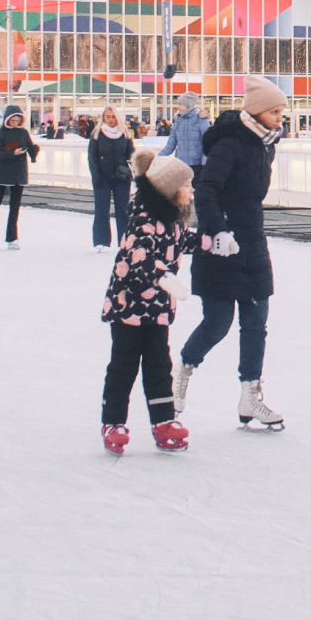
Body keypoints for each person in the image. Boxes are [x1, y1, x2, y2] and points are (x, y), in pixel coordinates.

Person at [177, 79, 287, 432]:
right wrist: (218, 230)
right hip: (222, 246)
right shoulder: (229, 143)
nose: (279, 117)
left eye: (281, 110)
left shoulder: (264, 145)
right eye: (274, 111)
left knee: (256, 323)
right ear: (255, 111)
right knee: (218, 323)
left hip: (252, 241)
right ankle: (182, 370)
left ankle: (249, 396)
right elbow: (205, 191)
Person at [104, 151, 196, 455]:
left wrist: (214, 242)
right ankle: (113, 422)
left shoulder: (173, 221)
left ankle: (164, 422)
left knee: (159, 366)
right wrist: (165, 279)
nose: (191, 191)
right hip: (128, 309)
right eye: (187, 185)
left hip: (156, 311)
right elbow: (142, 258)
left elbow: (184, 242)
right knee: (124, 367)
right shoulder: (142, 221)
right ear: (170, 190)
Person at [0, 108, 38, 248]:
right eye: (13, 120)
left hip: (18, 173)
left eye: (18, 121)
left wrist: (34, 151)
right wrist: (13, 153)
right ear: (7, 119)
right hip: (2, 173)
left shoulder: (23, 132)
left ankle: (12, 237)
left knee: (15, 206)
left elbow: (29, 146)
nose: (15, 123)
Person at [87, 105, 137, 250]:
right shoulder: (97, 135)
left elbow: (131, 154)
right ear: (103, 118)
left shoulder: (125, 134)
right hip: (102, 176)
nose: (110, 120)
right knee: (102, 209)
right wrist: (96, 175)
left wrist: (136, 169)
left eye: (113, 116)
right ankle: (101, 241)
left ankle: (125, 240)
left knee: (123, 209)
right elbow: (92, 157)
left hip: (121, 177)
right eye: (107, 117)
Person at [161, 99, 208, 173]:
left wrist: (205, 164)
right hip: (180, 164)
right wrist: (157, 158)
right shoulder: (178, 120)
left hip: (197, 165)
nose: (177, 107)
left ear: (187, 105)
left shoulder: (201, 119)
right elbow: (171, 144)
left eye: (180, 104)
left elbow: (207, 142)